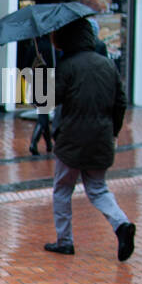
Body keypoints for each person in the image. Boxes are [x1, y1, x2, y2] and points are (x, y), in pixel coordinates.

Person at [45, 17, 135, 260]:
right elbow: (121, 102)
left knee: (63, 189)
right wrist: (113, 131)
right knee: (97, 189)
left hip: (72, 139)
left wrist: (41, 74)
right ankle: (122, 224)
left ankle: (65, 241)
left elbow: (48, 100)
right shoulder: (107, 65)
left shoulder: (68, 66)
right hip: (101, 138)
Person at [28, 35, 55, 156]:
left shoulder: (33, 48)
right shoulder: (52, 48)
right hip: (48, 83)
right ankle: (34, 142)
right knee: (43, 115)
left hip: (36, 83)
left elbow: (25, 67)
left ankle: (49, 144)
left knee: (44, 114)